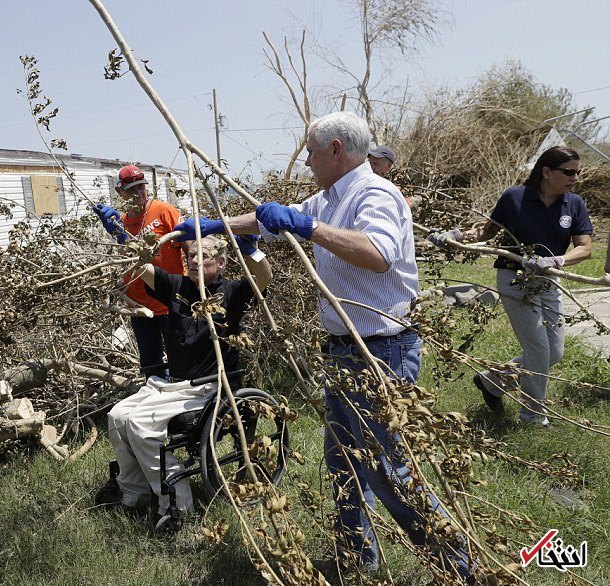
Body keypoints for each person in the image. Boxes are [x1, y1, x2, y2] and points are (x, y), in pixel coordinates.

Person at [177, 112, 473, 579]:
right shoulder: (329, 197)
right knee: (343, 462)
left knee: (388, 470)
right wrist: (214, 226)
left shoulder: (375, 193)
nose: (307, 161)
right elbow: (267, 223)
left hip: (380, 350)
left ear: (336, 149)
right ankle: (355, 560)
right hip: (343, 350)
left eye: (311, 152)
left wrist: (307, 227)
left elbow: (377, 255)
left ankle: (461, 569)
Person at [102, 235, 272, 527]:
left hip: (207, 387)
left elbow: (264, 276)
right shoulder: (177, 287)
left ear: (220, 263)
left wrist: (250, 249)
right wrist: (125, 237)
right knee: (117, 417)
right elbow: (143, 267)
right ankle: (135, 492)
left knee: (140, 424)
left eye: (203, 256)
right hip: (172, 384)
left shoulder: (232, 293)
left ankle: (178, 501)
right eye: (191, 255)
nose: (194, 260)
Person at [431, 146, 593, 426]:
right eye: (568, 172)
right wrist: (454, 236)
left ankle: (492, 381)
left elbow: (585, 248)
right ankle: (532, 417)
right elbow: (486, 231)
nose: (574, 177)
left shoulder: (574, 204)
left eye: (577, 172)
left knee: (554, 352)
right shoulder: (514, 198)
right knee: (539, 350)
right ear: (546, 171)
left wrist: (557, 260)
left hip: (547, 279)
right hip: (513, 279)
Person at [92, 164, 187, 378]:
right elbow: (130, 260)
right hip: (140, 308)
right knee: (151, 367)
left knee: (182, 361)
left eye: (141, 188)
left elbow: (190, 247)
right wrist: (119, 234)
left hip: (169, 303)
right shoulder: (123, 223)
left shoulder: (164, 211)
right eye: (131, 190)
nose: (138, 194)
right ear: (120, 192)